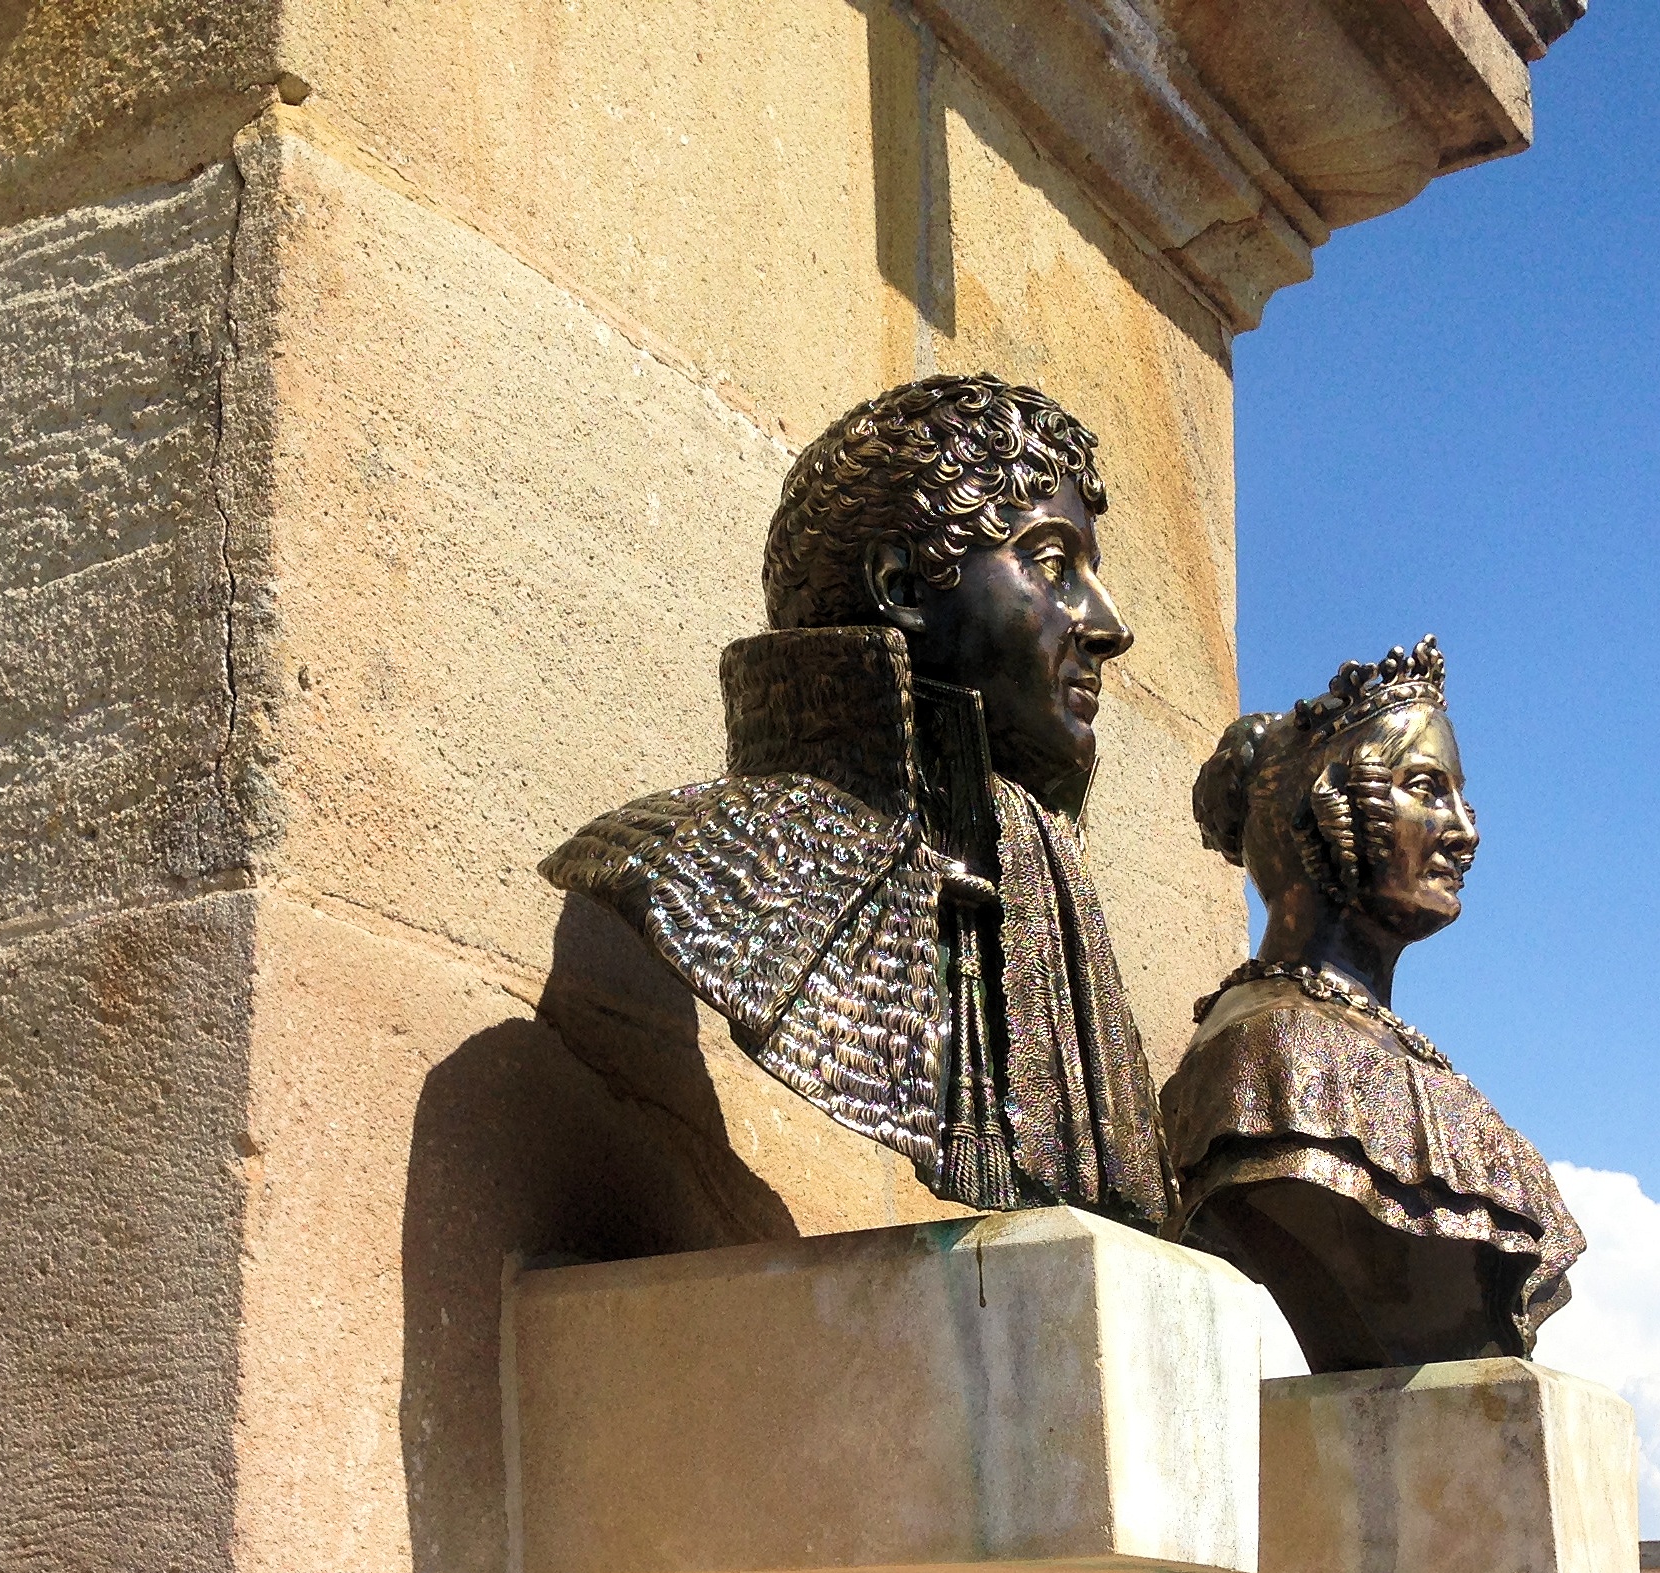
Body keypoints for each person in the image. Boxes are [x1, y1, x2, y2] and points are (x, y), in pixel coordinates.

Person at [542, 375, 1172, 1232]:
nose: (1108, 624)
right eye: (1053, 565)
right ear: (903, 587)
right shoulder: (703, 864)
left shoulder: (1043, 876)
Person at [1162, 638, 1582, 1371]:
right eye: (1426, 788)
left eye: (1461, 798)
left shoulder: (1384, 1046)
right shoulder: (1271, 1047)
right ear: (1329, 810)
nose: (1465, 830)